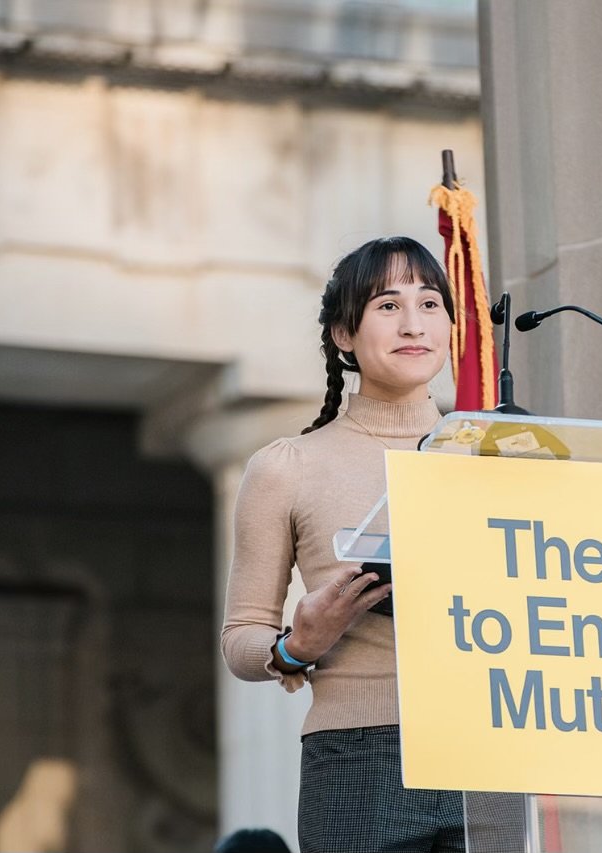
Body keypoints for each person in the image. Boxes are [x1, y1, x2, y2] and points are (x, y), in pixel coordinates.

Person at [221, 237, 465, 853]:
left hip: (488, 744)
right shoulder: (287, 467)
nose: (414, 324)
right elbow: (240, 637)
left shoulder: (492, 455)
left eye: (431, 303)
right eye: (388, 306)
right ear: (343, 335)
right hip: (358, 754)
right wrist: (299, 645)